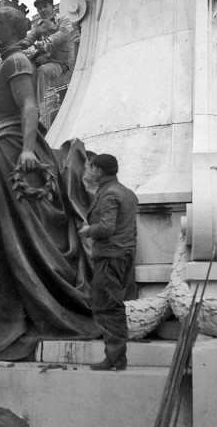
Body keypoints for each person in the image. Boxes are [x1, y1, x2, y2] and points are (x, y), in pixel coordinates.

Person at [0, 3, 99, 360]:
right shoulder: (6, 64)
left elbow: (29, 105)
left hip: (10, 148)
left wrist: (29, 150)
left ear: (15, 29)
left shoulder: (17, 62)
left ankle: (17, 307)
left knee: (15, 231)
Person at [78, 154, 138, 370]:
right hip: (122, 255)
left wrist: (88, 231)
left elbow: (106, 227)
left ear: (99, 171)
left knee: (105, 306)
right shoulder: (127, 193)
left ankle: (114, 357)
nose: (88, 171)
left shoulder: (109, 194)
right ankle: (117, 358)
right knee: (112, 305)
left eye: (90, 168)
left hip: (110, 257)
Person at [17, 0, 73, 108]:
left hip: (60, 63)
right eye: (39, 8)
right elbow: (30, 38)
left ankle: (37, 106)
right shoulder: (39, 25)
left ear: (52, 7)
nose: (43, 10)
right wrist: (21, 44)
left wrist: (46, 43)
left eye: (45, 7)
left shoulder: (63, 20)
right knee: (24, 67)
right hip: (43, 60)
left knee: (43, 71)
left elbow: (63, 34)